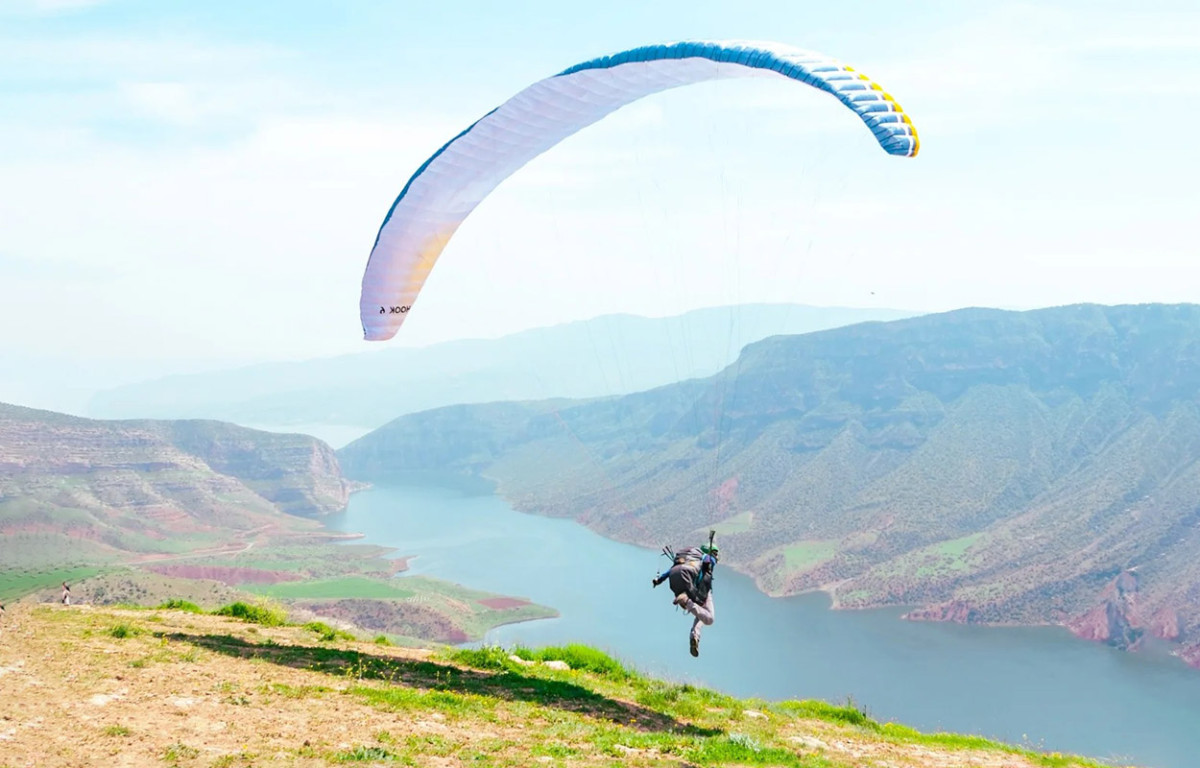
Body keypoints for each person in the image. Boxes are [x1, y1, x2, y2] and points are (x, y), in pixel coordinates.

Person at [652, 540, 718, 657]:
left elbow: (670, 571)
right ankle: (686, 602)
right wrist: (710, 559)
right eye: (715, 554)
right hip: (698, 589)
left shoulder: (691, 559)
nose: (717, 557)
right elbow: (711, 560)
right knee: (709, 618)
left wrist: (659, 580)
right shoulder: (707, 558)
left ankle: (695, 635)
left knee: (701, 612)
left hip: (680, 581)